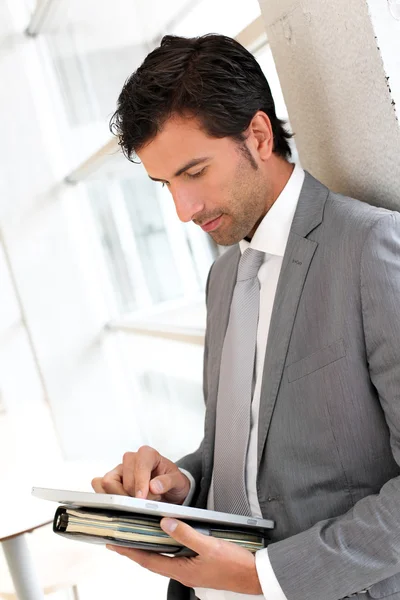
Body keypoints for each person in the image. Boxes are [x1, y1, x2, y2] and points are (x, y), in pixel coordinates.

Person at [91, 34, 400, 600]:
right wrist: (179, 482)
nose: (183, 211)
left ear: (257, 135)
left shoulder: (369, 249)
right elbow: (246, 452)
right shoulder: (225, 278)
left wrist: (263, 578)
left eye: (194, 172)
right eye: (166, 185)